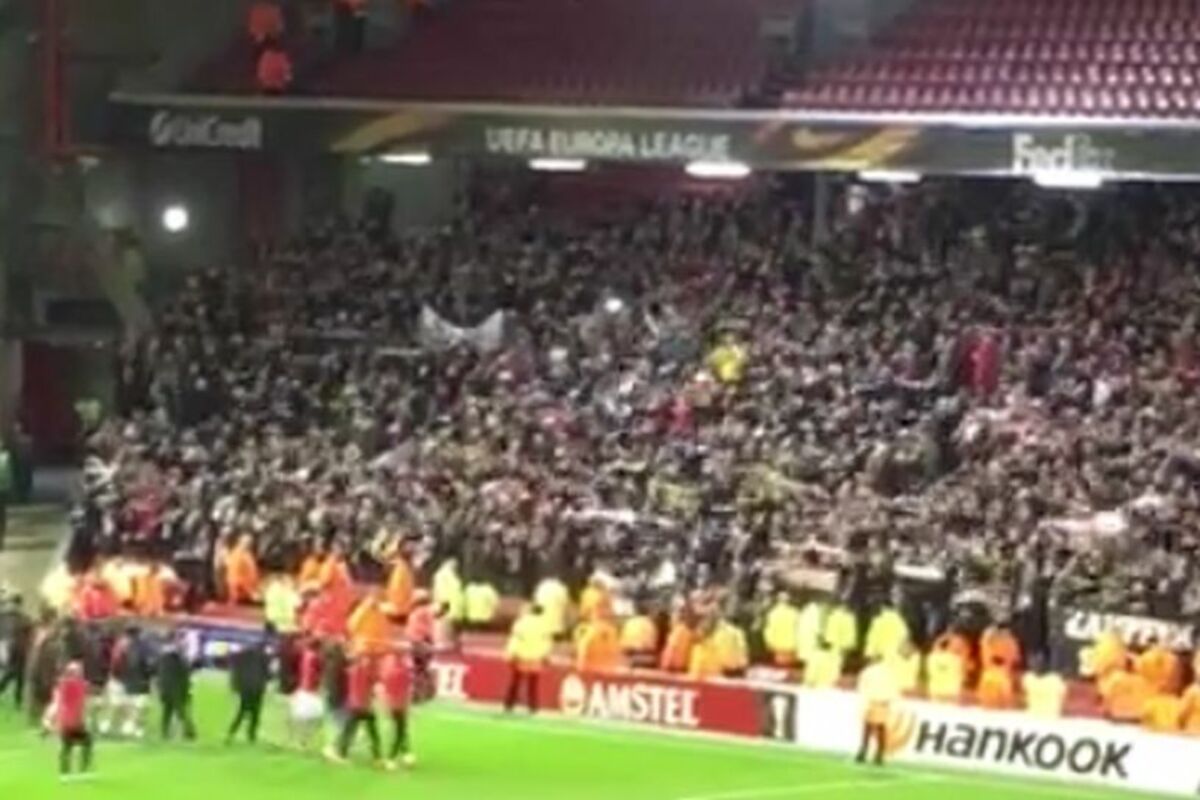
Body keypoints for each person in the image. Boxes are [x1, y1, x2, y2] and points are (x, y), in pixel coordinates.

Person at [327, 651, 382, 765]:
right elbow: (371, 684)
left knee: (350, 730)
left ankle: (341, 753)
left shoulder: (353, 670)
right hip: (364, 704)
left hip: (356, 704)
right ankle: (377, 756)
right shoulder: (364, 670)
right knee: (371, 732)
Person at [104, 625, 153, 738]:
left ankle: (121, 726)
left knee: (123, 705)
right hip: (134, 680)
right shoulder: (139, 646)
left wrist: (113, 675)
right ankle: (134, 728)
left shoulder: (120, 644)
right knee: (136, 706)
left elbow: (115, 662)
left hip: (122, 679)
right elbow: (146, 664)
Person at [504, 603, 552, 714]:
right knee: (533, 683)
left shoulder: (521, 623)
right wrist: (546, 656)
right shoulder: (545, 625)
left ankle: (509, 704)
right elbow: (547, 643)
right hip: (536, 657)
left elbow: (515, 640)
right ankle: (533, 706)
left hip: (521, 655)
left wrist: (511, 653)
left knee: (516, 681)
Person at [226, 630, 271, 744]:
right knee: (255, 712)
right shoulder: (264, 656)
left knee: (242, 710)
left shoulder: (242, 654)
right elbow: (268, 674)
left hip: (245, 687)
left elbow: (231, 662)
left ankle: (232, 731)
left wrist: (235, 685)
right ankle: (251, 734)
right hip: (257, 687)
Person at [856, 655, 900, 766]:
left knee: (868, 727)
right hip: (883, 701)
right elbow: (894, 687)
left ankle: (864, 752)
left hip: (872, 700)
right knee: (880, 727)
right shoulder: (888, 672)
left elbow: (862, 686)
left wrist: (864, 699)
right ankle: (879, 754)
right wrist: (891, 700)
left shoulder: (868, 671)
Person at [54, 661, 94, 778]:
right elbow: (83, 701)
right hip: (74, 721)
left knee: (67, 746)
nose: (81, 673)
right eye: (79, 671)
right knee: (86, 742)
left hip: (67, 721)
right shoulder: (78, 685)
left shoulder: (64, 684)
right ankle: (83, 769)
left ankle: (65, 771)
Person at [379, 647, 416, 770]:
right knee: (399, 732)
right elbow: (407, 691)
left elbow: (384, 689)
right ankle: (391, 758)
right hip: (399, 705)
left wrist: (385, 705)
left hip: (391, 705)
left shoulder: (388, 668)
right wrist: (408, 707)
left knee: (399, 730)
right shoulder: (405, 671)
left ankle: (406, 753)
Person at [156, 633, 196, 740]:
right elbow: (184, 673)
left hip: (166, 687)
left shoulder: (163, 656)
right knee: (180, 710)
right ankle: (189, 732)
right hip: (176, 688)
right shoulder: (177, 657)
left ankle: (165, 732)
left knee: (168, 711)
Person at [289, 638, 324, 750]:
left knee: (303, 717)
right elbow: (314, 674)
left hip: (304, 689)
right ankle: (303, 740)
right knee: (313, 717)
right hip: (310, 691)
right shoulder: (315, 657)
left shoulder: (306, 655)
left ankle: (300, 740)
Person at [0, 594, 33, 708]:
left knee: (13, 673)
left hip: (9, 647)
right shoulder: (24, 618)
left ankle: (17, 699)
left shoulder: (4, 615)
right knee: (16, 674)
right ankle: (17, 699)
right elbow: (29, 634)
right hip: (18, 649)